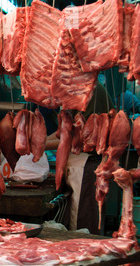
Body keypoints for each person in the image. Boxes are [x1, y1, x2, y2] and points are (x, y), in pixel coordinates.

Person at [44, 82, 115, 235]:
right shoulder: (79, 87)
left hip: (86, 164)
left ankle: (88, 255)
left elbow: (74, 138)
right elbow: (63, 134)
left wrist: (38, 146)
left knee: (83, 227)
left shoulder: (84, 90)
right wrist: (40, 142)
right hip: (80, 164)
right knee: (78, 221)